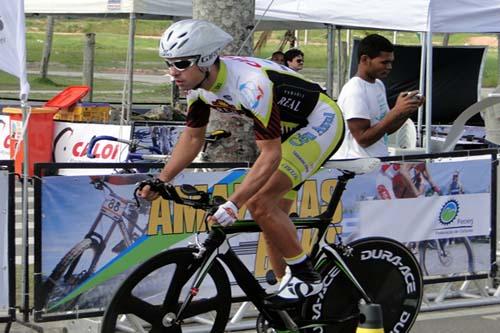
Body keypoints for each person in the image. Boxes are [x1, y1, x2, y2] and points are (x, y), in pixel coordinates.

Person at [137, 19, 345, 305]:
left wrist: (234, 203)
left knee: (260, 203)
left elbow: (270, 154)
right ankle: (290, 304)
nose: (173, 73)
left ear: (206, 59)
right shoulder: (198, 87)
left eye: (181, 63)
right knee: (272, 220)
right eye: (168, 64)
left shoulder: (250, 85)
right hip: (285, 127)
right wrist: (161, 180)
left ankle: (306, 278)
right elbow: (192, 139)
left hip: (319, 121)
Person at [333, 34, 425, 159]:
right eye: (384, 62)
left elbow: (385, 129)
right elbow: (363, 139)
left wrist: (406, 111)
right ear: (365, 59)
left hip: (377, 163)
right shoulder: (354, 91)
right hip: (357, 166)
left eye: (391, 62)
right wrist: (396, 111)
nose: (389, 67)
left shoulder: (378, 84)